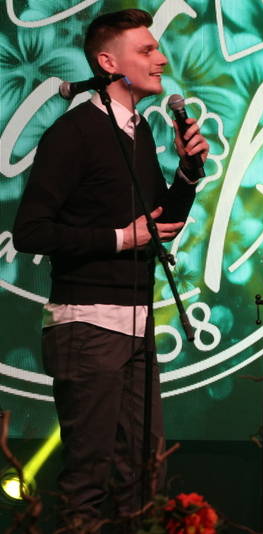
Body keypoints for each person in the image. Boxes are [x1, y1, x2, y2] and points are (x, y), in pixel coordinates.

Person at [12, 9, 209, 531]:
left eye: (156, 48)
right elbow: (31, 231)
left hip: (136, 325)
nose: (160, 58)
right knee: (88, 479)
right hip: (88, 324)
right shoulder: (74, 132)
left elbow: (159, 224)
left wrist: (188, 174)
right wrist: (121, 238)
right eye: (146, 50)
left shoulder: (137, 131)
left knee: (143, 477)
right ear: (108, 63)